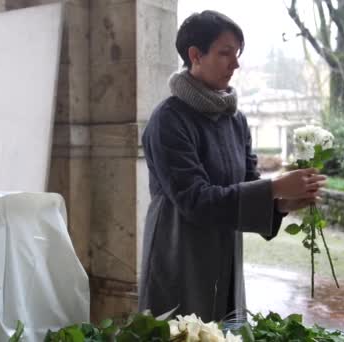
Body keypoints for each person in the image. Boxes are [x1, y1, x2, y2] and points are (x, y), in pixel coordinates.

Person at [138, 10, 326, 324]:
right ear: (195, 55)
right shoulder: (168, 119)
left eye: (237, 54)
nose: (235, 64)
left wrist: (285, 203)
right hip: (179, 252)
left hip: (226, 254)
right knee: (182, 329)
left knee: (226, 327)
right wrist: (276, 187)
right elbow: (194, 199)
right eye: (225, 53)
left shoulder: (234, 119)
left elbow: (250, 183)